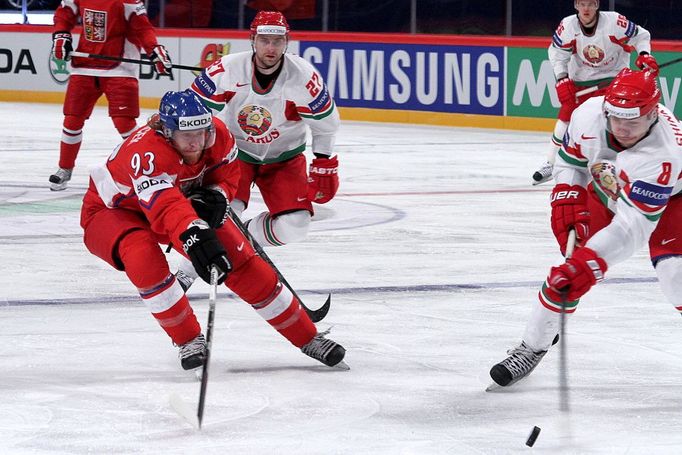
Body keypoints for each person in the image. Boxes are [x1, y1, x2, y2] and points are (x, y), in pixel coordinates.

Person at [80, 89, 347, 371]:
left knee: (239, 259)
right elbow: (165, 207)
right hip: (114, 211)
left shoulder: (218, 135)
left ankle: (308, 337)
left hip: (177, 204)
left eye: (202, 132)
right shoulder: (146, 152)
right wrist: (195, 234)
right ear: (167, 133)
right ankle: (188, 340)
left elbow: (230, 174)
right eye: (187, 136)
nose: (197, 142)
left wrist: (217, 195)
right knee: (142, 257)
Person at [490, 68, 682, 387]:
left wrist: (591, 264)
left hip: (672, 202)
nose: (621, 128)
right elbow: (571, 162)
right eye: (615, 117)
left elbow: (632, 228)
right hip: (608, 191)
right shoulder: (588, 113)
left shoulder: (664, 153)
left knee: (675, 274)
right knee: (565, 275)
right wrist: (567, 195)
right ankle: (532, 346)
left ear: (652, 117)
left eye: (631, 121)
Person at [176, 10, 340, 290]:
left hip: (285, 159)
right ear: (253, 40)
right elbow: (194, 115)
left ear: (287, 42)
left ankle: (241, 239)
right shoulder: (227, 69)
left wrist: (324, 159)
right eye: (264, 40)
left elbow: (326, 123)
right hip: (235, 156)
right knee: (222, 211)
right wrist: (193, 158)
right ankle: (185, 273)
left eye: (278, 41)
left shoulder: (303, 78)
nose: (271, 48)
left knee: (296, 227)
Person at [49, 0, 173, 191]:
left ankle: (147, 170)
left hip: (119, 69)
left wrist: (154, 49)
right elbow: (65, 14)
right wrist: (61, 35)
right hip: (84, 65)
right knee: (72, 120)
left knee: (124, 124)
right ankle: (64, 168)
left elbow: (142, 27)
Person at [531, 0, 658, 185]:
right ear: (575, 5)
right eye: (582, 4)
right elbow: (558, 53)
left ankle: (635, 163)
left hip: (614, 80)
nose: (586, 9)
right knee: (566, 115)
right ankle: (550, 163)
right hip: (581, 81)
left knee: (621, 119)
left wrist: (645, 54)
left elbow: (641, 35)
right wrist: (562, 78)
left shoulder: (614, 22)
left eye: (590, 4)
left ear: (597, 5)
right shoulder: (568, 26)